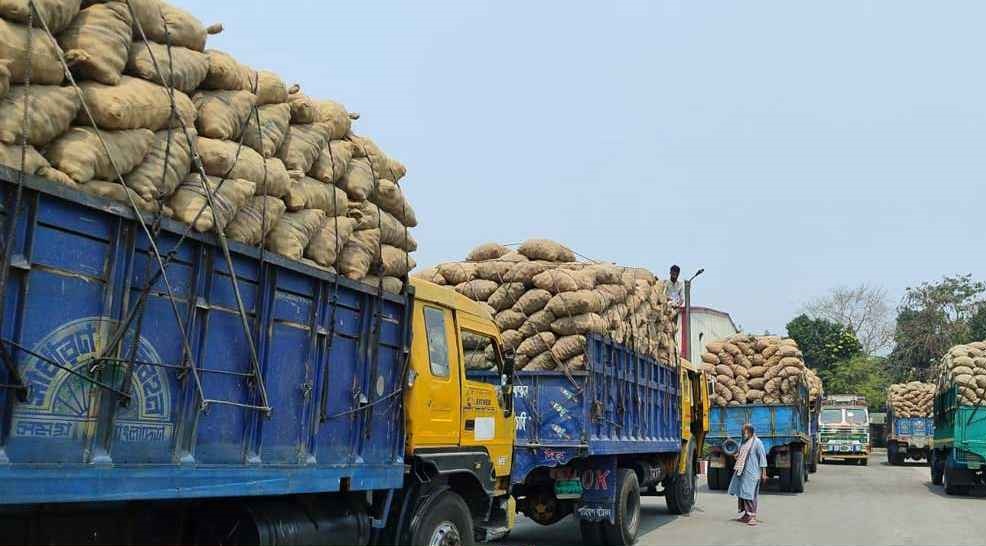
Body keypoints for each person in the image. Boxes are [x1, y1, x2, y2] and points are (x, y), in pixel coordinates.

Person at [728, 423, 767, 526]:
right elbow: (739, 454)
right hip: (742, 471)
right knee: (743, 494)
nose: (744, 434)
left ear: (750, 432)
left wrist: (764, 473)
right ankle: (746, 515)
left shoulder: (757, 442)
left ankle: (752, 517)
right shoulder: (743, 442)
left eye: (745, 432)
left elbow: (763, 458)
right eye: (743, 432)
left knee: (750, 494)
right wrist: (735, 455)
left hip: (753, 473)